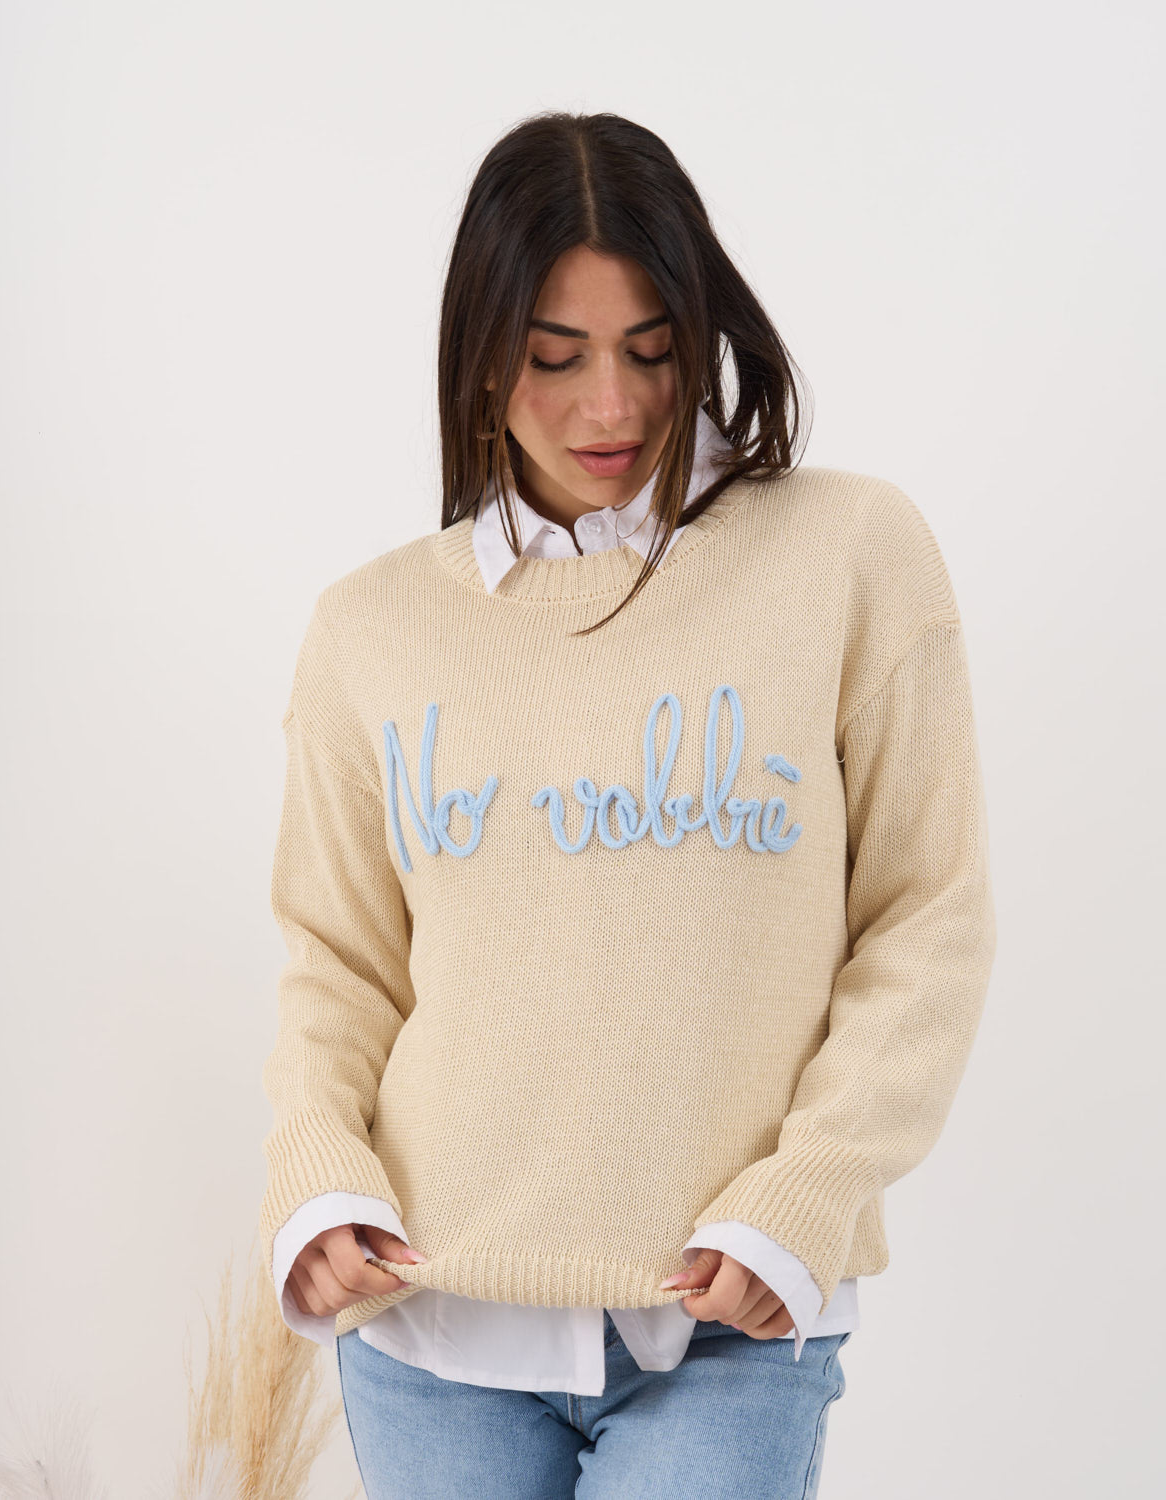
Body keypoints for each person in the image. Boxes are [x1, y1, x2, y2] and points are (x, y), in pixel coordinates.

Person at [257, 110, 997, 1499]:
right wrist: (317, 1174)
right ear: (484, 357)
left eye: (653, 351)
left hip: (732, 1325)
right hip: (429, 1326)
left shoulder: (849, 553)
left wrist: (806, 1196)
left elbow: (926, 922)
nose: (613, 408)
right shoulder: (370, 628)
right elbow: (338, 965)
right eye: (557, 357)